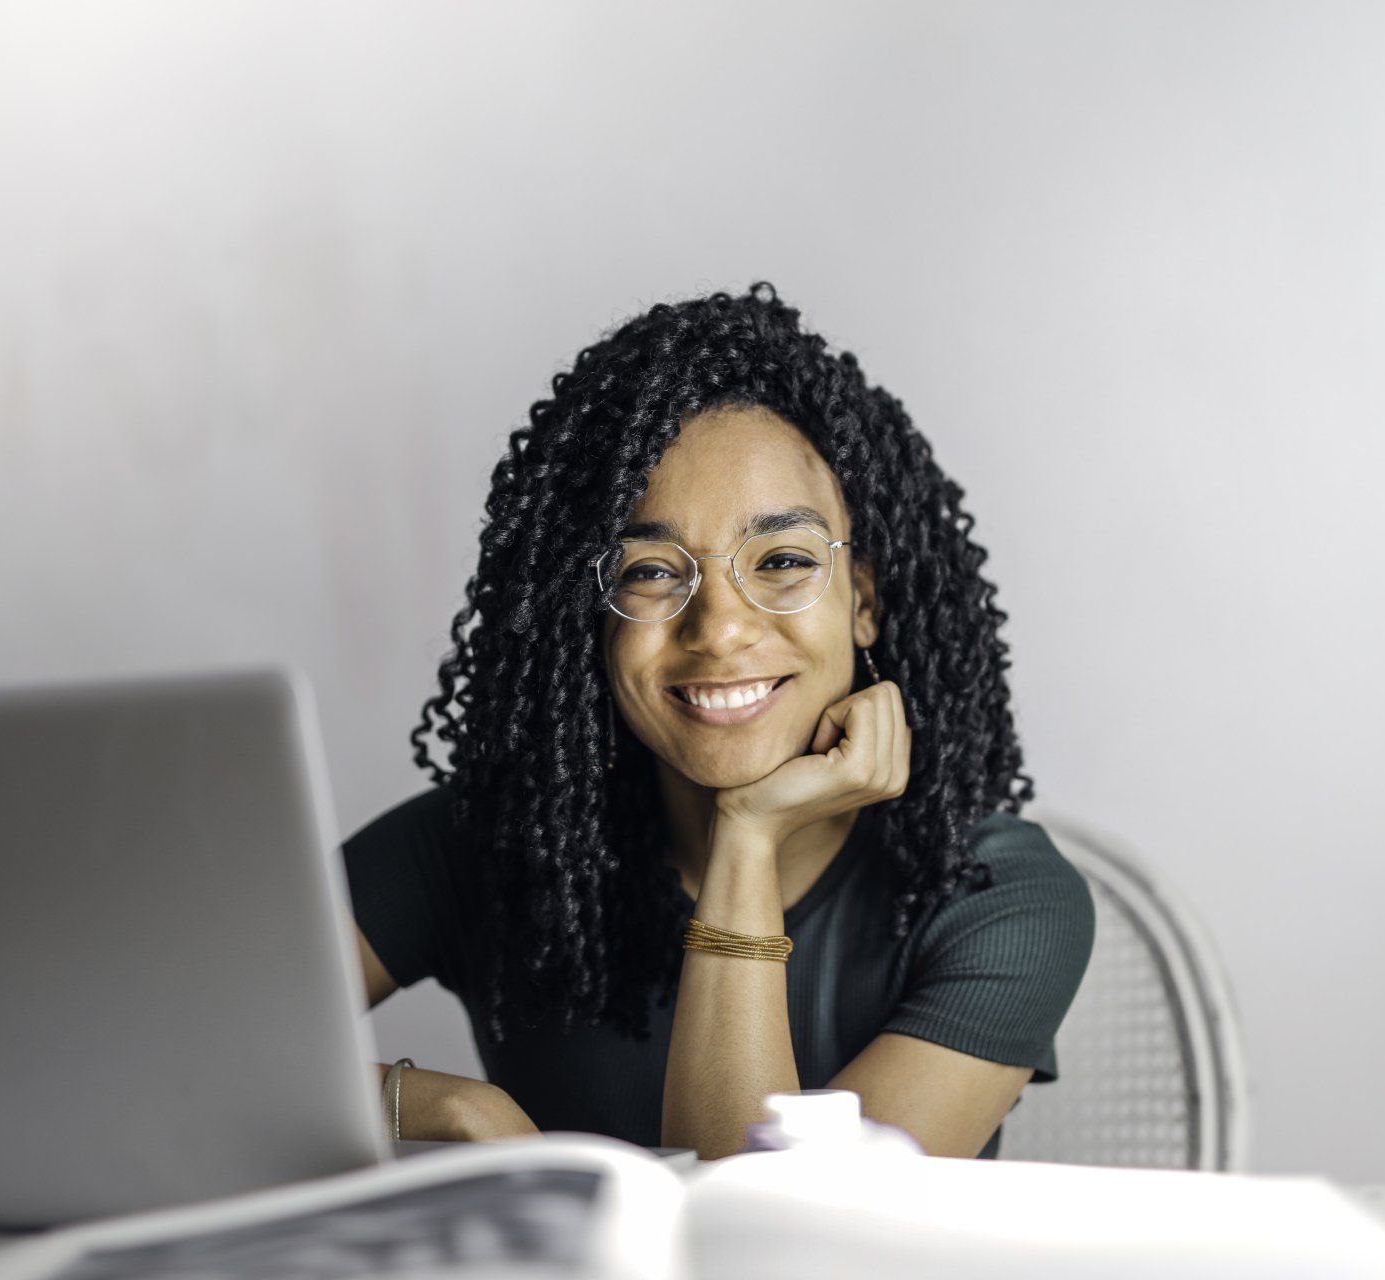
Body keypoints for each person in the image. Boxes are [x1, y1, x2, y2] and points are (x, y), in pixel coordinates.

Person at [346, 283, 1094, 1161]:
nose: (722, 628)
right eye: (651, 573)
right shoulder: (490, 841)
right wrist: (440, 1107)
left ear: (864, 601)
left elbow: (771, 1248)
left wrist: (748, 837)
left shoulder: (994, 895)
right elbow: (164, 1051)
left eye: (781, 560)